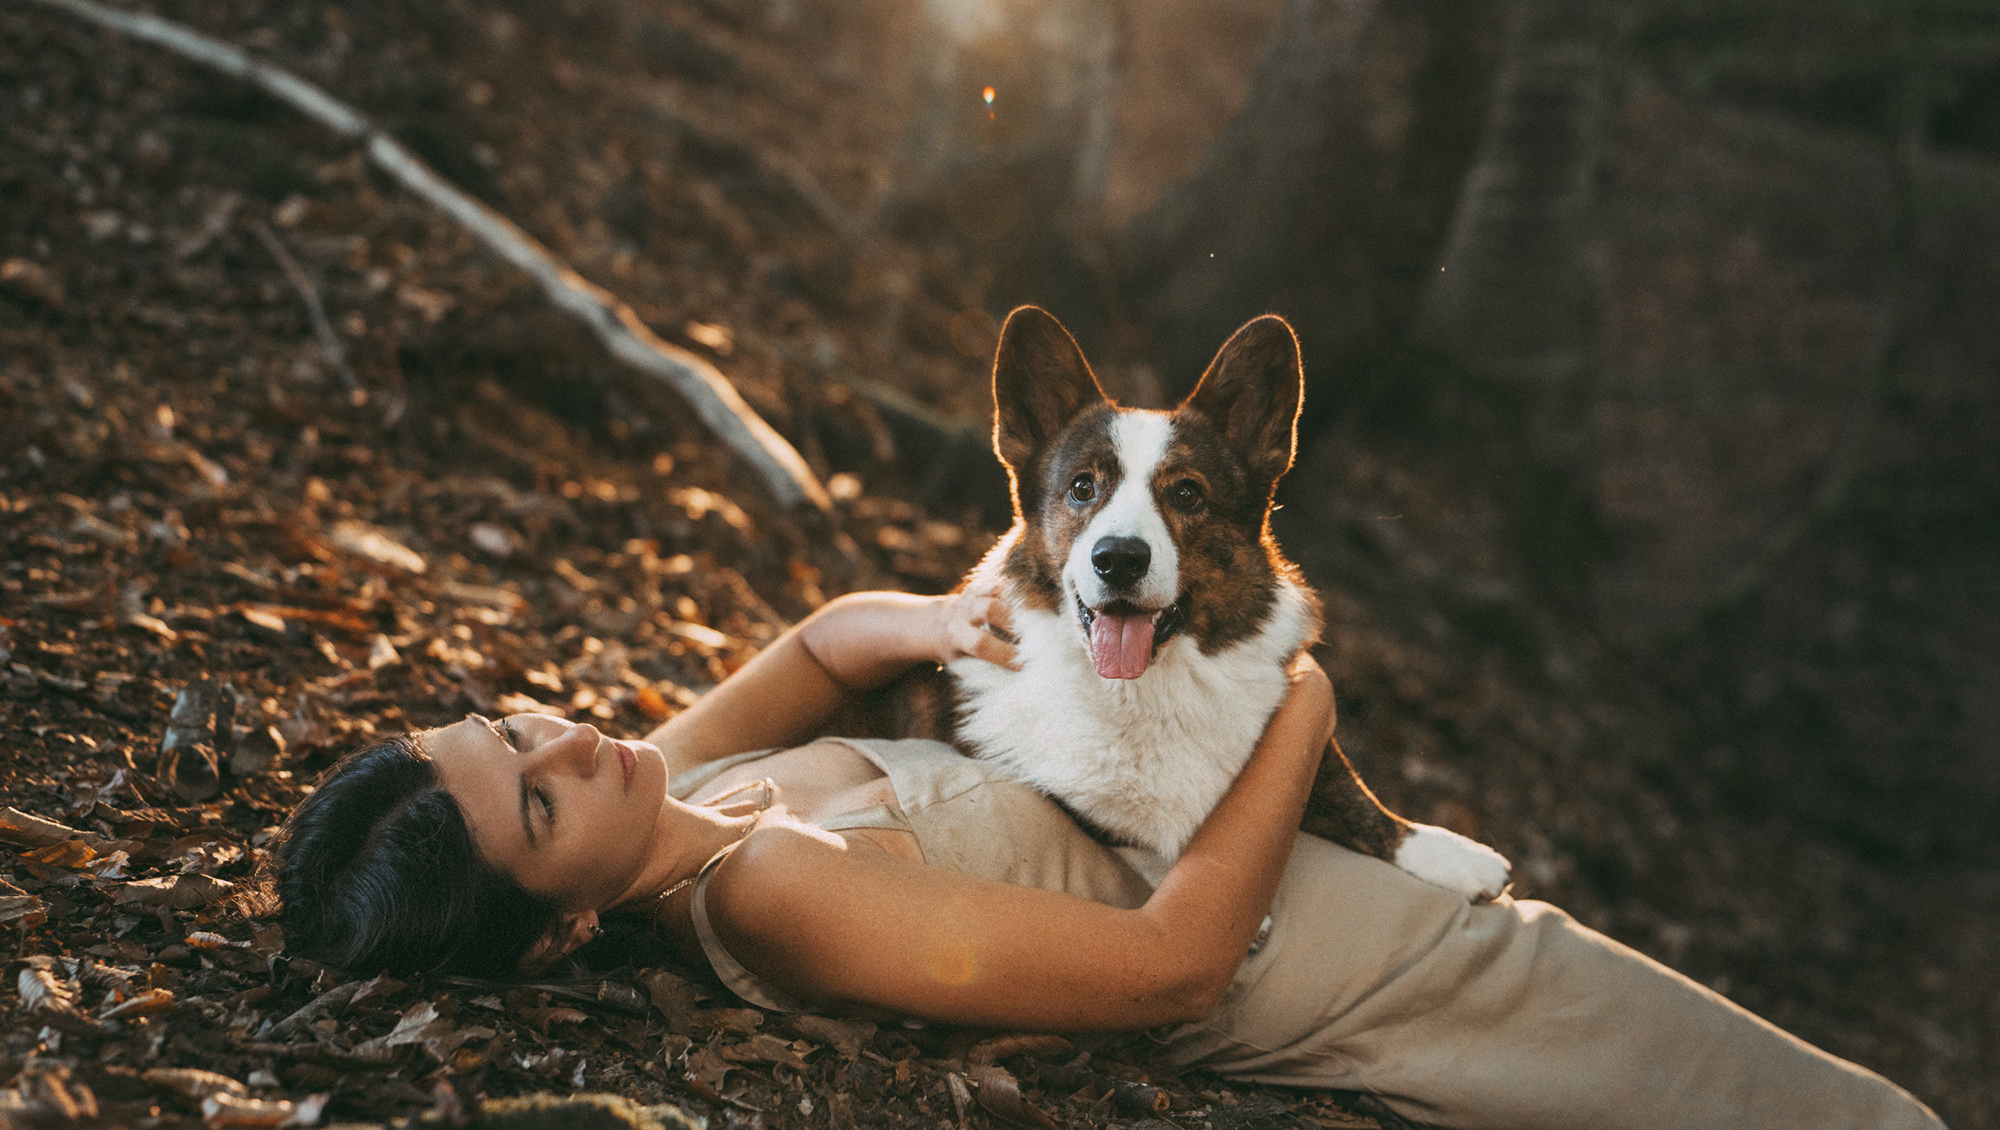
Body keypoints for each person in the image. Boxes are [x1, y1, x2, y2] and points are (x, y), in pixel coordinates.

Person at [276, 589, 1945, 1130]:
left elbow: (823, 637)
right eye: (540, 801)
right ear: (558, 932)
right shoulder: (763, 887)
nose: (574, 740)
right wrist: (1300, 704)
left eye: (519, 726)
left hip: (1369, 898)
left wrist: (941, 619)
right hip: (1379, 967)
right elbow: (1169, 971)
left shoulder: (674, 787)